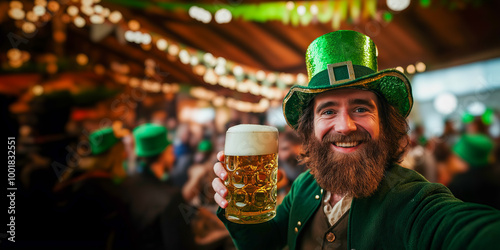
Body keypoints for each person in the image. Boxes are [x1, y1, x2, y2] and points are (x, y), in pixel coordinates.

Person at [211, 30, 500, 249]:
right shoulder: (304, 186)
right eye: (328, 110)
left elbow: (467, 230)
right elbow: (262, 243)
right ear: (310, 127)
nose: (345, 126)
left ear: (385, 123)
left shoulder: (414, 201)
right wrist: (234, 207)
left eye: (361, 108)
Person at [120, 123, 195, 249]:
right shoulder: (171, 197)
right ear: (164, 153)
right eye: (171, 151)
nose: (173, 157)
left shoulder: (124, 186)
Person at [448, 134, 500, 210]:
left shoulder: (459, 184)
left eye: (456, 156)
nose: (451, 160)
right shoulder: (494, 178)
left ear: (465, 160)